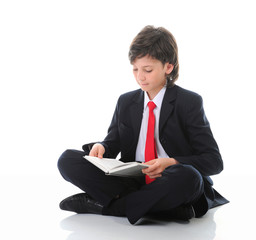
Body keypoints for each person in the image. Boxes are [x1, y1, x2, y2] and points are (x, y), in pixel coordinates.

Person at [57, 25, 228, 225]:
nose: (140, 76)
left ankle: (106, 206)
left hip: (169, 176)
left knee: (190, 177)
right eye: (135, 69)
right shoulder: (126, 101)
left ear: (168, 67)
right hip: (132, 179)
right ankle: (163, 209)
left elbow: (214, 161)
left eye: (147, 70)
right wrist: (102, 147)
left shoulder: (189, 102)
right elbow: (113, 143)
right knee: (67, 159)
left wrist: (171, 162)